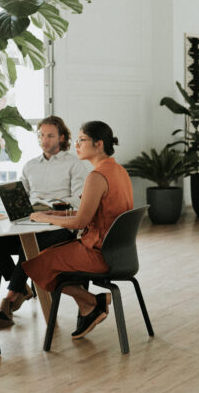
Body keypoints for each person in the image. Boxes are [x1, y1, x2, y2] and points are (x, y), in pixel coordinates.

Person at [23, 121, 133, 339]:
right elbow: (91, 213)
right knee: (49, 259)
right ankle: (88, 307)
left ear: (98, 144)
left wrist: (45, 217)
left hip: (98, 253)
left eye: (82, 140)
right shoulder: (118, 170)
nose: (76, 145)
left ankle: (94, 302)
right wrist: (56, 214)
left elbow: (81, 222)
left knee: (35, 265)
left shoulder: (96, 177)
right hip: (119, 251)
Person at [0, 116, 91, 326]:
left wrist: (49, 206)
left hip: (59, 227)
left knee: (29, 245)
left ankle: (9, 299)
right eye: (41, 135)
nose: (45, 140)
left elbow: (78, 200)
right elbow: (21, 196)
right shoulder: (30, 165)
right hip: (31, 222)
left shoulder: (75, 164)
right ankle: (23, 289)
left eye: (50, 135)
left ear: (61, 137)